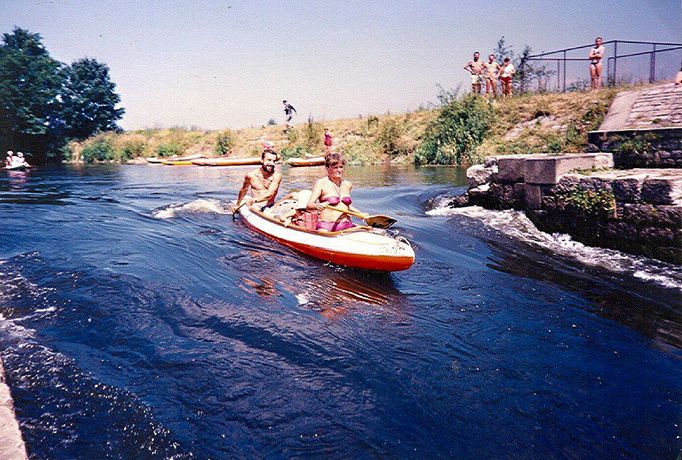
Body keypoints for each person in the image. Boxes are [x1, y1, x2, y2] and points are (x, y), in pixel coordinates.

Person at [306, 153, 368, 232]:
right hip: (327, 226)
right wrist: (317, 206)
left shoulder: (347, 184)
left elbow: (347, 207)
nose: (339, 170)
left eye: (341, 167)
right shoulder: (321, 183)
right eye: (335, 167)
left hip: (347, 225)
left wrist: (361, 214)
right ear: (327, 168)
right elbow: (309, 206)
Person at [235, 147, 282, 212]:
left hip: (269, 206)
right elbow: (243, 190)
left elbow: (270, 194)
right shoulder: (251, 176)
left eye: (274, 161)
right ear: (262, 160)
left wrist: (253, 200)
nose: (272, 163)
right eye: (269, 160)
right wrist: (237, 204)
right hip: (255, 206)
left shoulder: (277, 176)